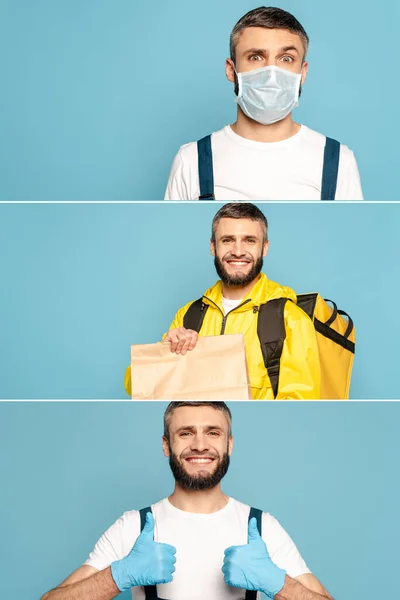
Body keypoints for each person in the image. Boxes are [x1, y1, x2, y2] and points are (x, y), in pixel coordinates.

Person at [40, 402, 332, 600]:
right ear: (167, 445)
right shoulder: (134, 526)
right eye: (185, 433)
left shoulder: (260, 527)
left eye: (213, 433)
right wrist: (117, 576)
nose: (200, 444)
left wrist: (278, 583)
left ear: (229, 444)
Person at [165, 6, 363, 201]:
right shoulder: (191, 160)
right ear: (230, 70)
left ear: (302, 73)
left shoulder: (338, 161)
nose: (271, 74)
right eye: (255, 57)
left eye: (286, 58)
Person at [125, 203, 321, 399]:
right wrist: (165, 351)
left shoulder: (289, 317)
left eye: (249, 240)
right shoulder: (189, 315)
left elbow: (301, 400)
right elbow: (135, 386)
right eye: (227, 240)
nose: (237, 251)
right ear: (213, 247)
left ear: (265, 248)